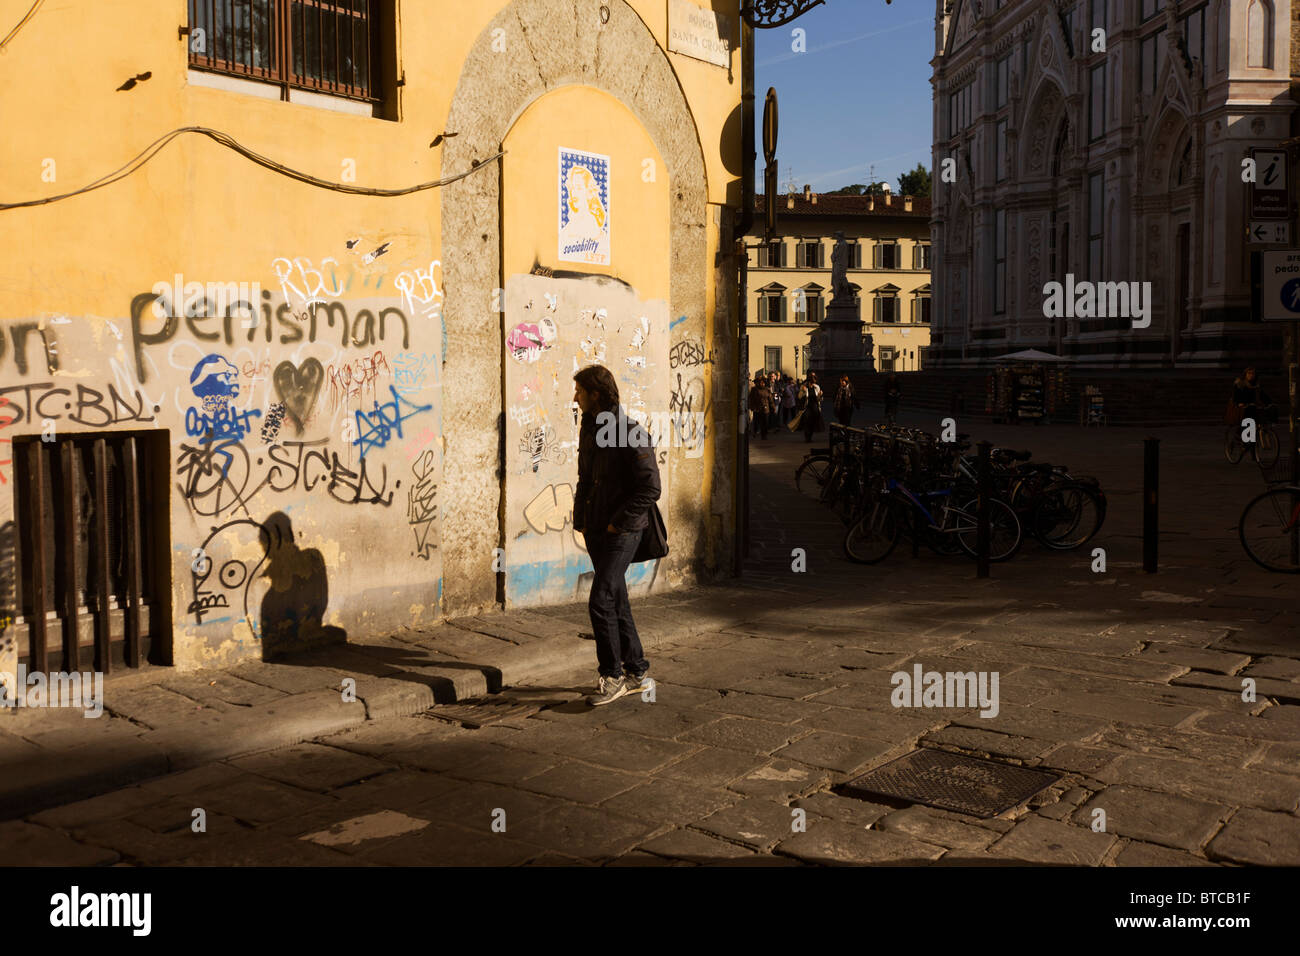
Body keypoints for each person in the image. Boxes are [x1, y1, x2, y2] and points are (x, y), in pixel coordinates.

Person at [572, 364, 661, 706]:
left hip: (623, 530)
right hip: (596, 528)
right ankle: (636, 671)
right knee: (616, 598)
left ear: (596, 394)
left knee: (601, 600)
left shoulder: (631, 432)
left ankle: (612, 676)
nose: (575, 396)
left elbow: (650, 487)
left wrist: (617, 522)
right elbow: (584, 478)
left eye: (580, 391)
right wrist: (581, 518)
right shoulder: (590, 429)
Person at [749, 373, 773, 439]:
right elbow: (751, 398)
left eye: (763, 383)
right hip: (757, 408)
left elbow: (770, 399)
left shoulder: (767, 390)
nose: (762, 384)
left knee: (765, 423)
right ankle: (755, 432)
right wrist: (752, 407)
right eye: (761, 383)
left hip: (765, 408)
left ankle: (764, 435)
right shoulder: (754, 389)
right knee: (756, 422)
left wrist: (772, 406)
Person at [802, 373, 824, 442]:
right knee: (806, 422)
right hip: (807, 407)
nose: (813, 383)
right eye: (812, 381)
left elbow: (819, 399)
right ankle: (807, 437)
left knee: (812, 423)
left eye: (814, 380)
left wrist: (820, 395)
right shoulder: (804, 386)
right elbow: (799, 397)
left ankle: (810, 437)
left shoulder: (817, 387)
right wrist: (804, 391)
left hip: (815, 407)